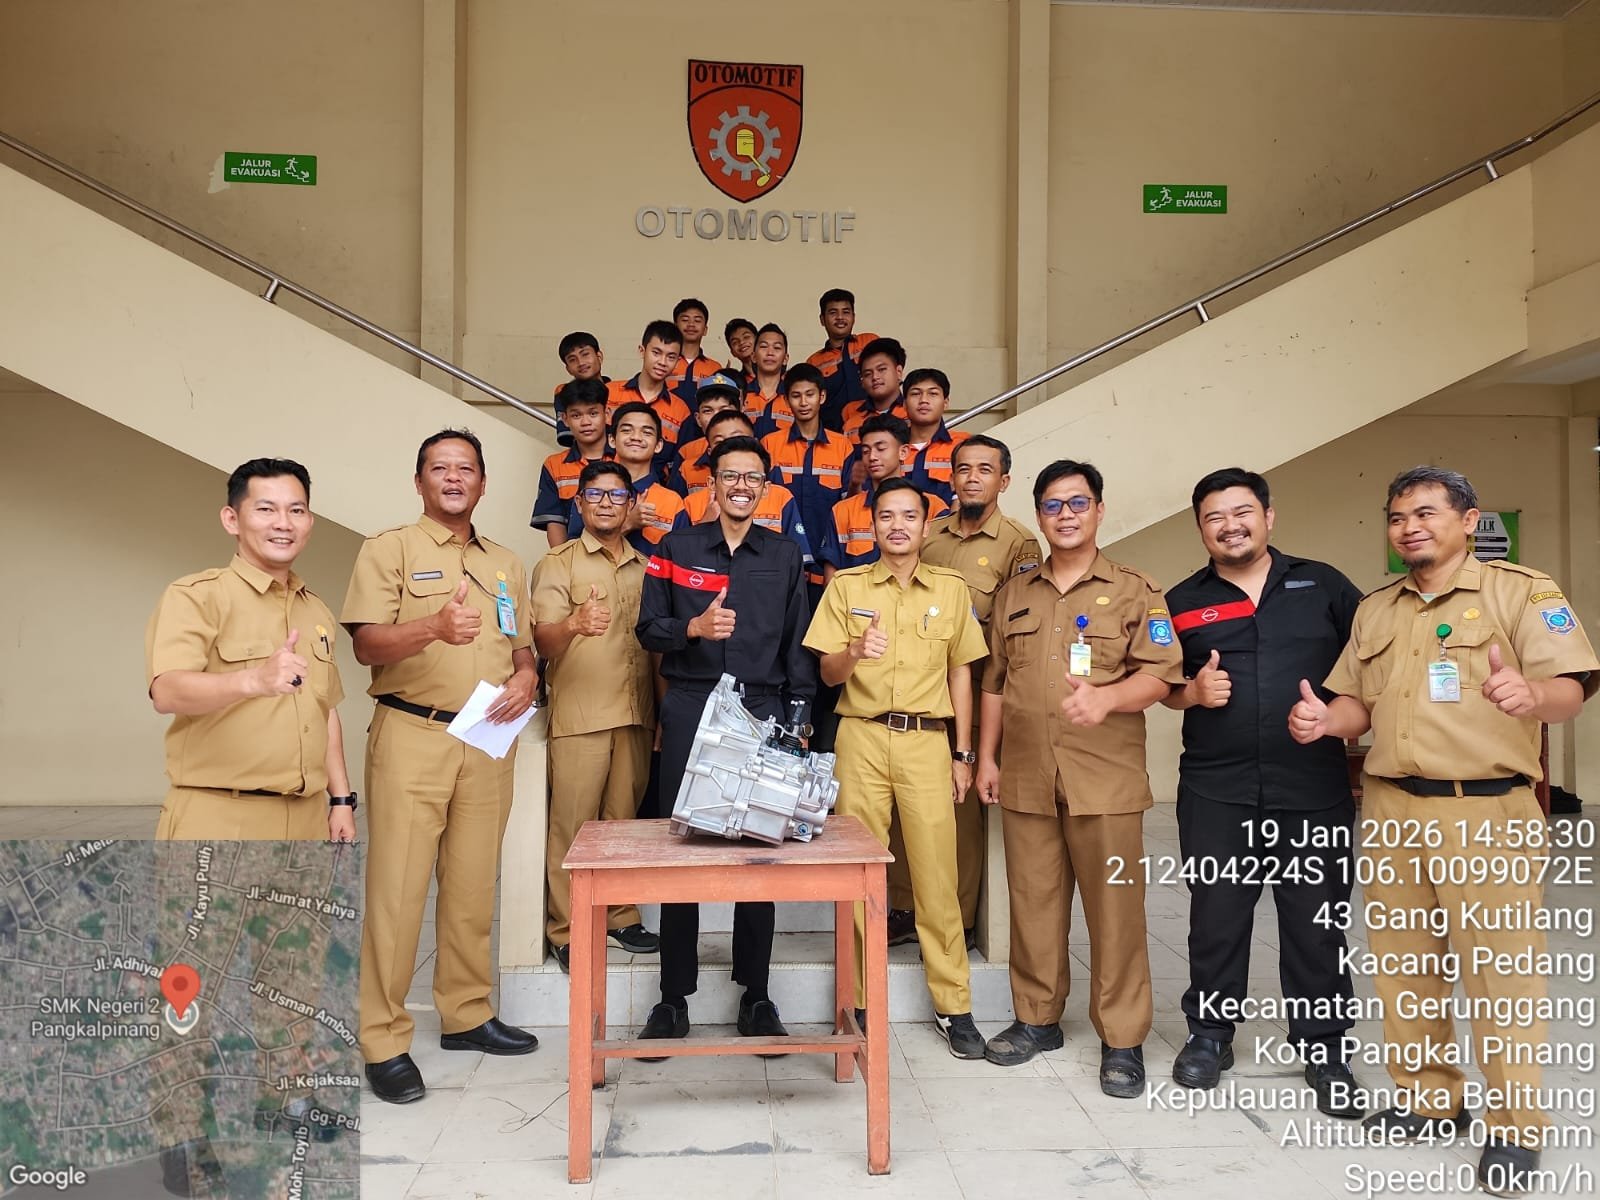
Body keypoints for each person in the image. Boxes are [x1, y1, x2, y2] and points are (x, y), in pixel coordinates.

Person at [1290, 465, 1599, 1197]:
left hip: (1485, 810)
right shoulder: (1377, 609)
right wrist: (1325, 720)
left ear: (1468, 519)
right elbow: (1357, 705)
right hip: (1392, 808)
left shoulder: (1522, 592)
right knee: (1404, 968)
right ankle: (1431, 1100)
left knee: (1501, 976)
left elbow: (1572, 688)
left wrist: (1532, 692)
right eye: (1398, 517)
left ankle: (1516, 1127)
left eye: (1425, 513)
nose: (1409, 528)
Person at [341, 429, 541, 1105]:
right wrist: (433, 627)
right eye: (440, 468)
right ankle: (382, 1039)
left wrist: (527, 675)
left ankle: (466, 1013)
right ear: (420, 480)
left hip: (487, 735)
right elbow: (368, 645)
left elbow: (521, 645)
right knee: (398, 893)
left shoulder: (506, 561)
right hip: (412, 732)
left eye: (466, 469)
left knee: (472, 884)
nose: (454, 478)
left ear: (483, 483)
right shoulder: (389, 548)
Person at [1162, 467, 1364, 1116]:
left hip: (1312, 788)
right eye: (1215, 517)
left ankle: (1325, 1048)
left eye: (1242, 512)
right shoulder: (1181, 600)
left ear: (1269, 517)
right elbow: (1161, 684)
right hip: (1216, 790)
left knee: (1316, 924)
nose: (1231, 526)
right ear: (1201, 528)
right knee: (1216, 919)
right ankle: (1210, 1035)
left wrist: (1334, 717)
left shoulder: (1325, 586)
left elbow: (1371, 670)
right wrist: (1191, 692)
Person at [976, 460, 1183, 1095]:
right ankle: (1037, 1019)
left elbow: (1162, 673)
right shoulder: (1015, 593)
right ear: (1038, 516)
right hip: (1027, 775)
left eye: (1077, 503)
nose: (1065, 515)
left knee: (1115, 912)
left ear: (1098, 510)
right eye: (1053, 505)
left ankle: (1122, 1039)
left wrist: (1109, 698)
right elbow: (994, 683)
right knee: (1033, 903)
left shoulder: (1136, 590)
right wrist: (986, 758)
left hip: (1105, 780)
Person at [635, 435, 816, 1052]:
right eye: (730, 476)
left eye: (753, 477)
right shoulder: (675, 547)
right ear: (711, 484)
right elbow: (648, 630)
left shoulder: (784, 554)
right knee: (683, 848)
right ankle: (672, 997)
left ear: (765, 489)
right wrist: (693, 626)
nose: (741, 486)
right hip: (691, 705)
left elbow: (797, 641)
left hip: (763, 709)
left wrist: (798, 716)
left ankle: (756, 994)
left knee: (758, 849)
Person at [804, 477, 990, 1058]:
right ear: (873, 525)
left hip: (927, 742)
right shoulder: (847, 586)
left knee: (937, 875)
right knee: (860, 873)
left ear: (926, 525)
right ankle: (858, 1000)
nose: (898, 525)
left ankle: (954, 1005)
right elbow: (826, 673)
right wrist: (855, 651)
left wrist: (963, 753)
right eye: (886, 516)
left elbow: (962, 671)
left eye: (909, 515)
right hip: (861, 737)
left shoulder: (951, 590)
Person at [146, 457, 355, 842]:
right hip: (220, 816)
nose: (283, 523)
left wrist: (341, 798)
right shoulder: (197, 597)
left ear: (310, 523)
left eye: (296, 510)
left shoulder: (316, 610)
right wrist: (254, 680)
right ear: (232, 520)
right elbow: (167, 692)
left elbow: (325, 710)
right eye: (266, 509)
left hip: (307, 820)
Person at [533, 460, 662, 972]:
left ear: (632, 505)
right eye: (596, 494)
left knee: (623, 824)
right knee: (573, 825)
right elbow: (542, 640)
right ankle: (567, 928)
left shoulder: (646, 566)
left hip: (635, 714)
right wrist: (574, 623)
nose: (607, 503)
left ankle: (620, 915)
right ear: (579, 503)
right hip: (581, 716)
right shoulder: (558, 563)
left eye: (617, 495)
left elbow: (654, 648)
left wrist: (661, 714)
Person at [917, 435, 1041, 946]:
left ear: (1003, 481)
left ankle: (961, 917)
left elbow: (1016, 631)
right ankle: (904, 908)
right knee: (912, 810)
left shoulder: (1018, 543)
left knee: (960, 813)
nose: (972, 478)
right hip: (921, 693)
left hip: (976, 696)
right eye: (963, 468)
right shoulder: (929, 535)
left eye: (984, 470)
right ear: (951, 477)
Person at [675, 410, 814, 568]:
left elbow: (797, 566)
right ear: (710, 452)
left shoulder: (781, 497)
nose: (731, 448)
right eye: (720, 443)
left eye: (739, 439)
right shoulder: (691, 503)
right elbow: (680, 561)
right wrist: (706, 524)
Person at [762, 364, 853, 605]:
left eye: (809, 394)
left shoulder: (842, 446)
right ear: (786, 400)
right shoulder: (770, 444)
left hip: (827, 565)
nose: (803, 402)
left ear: (822, 397)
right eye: (796, 395)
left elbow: (847, 508)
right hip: (779, 566)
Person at [822, 414, 947, 574]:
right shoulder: (843, 511)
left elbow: (943, 565)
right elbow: (831, 578)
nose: (872, 457)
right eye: (865, 451)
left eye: (881, 449)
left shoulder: (934, 507)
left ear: (903, 452)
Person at [566, 402, 685, 554]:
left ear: (658, 445)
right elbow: (574, 551)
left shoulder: (672, 502)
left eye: (647, 432)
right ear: (612, 440)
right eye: (627, 430)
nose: (636, 437)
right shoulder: (591, 490)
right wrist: (628, 523)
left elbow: (680, 558)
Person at [531, 377, 612, 548]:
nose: (586, 422)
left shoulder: (626, 458)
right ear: (565, 419)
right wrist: (562, 560)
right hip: (574, 558)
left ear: (606, 414)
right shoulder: (554, 466)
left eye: (593, 413)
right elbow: (555, 523)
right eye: (576, 415)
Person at [608, 319, 694, 471]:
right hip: (605, 481)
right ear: (642, 351)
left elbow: (678, 464)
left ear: (678, 361)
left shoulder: (681, 411)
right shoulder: (609, 393)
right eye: (656, 353)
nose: (663, 362)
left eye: (671, 357)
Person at [806, 287, 878, 429]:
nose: (840, 317)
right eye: (833, 312)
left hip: (875, 428)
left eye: (846, 312)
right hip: (834, 433)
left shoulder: (870, 342)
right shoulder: (814, 362)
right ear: (822, 320)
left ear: (854, 317)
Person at [901, 367, 969, 503]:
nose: (923, 400)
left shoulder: (963, 445)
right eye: (915, 393)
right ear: (904, 404)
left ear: (945, 403)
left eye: (933, 393)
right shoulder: (890, 447)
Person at [670, 376, 744, 498]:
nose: (716, 417)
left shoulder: (758, 460)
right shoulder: (686, 458)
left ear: (740, 413)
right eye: (708, 411)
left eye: (724, 410)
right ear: (698, 419)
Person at [840, 337, 908, 441]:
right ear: (862, 382)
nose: (875, 377)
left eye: (881, 369)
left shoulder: (913, 411)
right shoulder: (850, 413)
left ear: (898, 372)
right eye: (868, 374)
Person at [550, 331, 609, 449]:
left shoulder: (620, 390)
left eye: (585, 354)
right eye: (572, 359)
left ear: (599, 356)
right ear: (568, 369)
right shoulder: (563, 394)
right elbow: (568, 437)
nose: (581, 363)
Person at [665, 297, 723, 402]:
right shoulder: (664, 362)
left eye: (697, 320)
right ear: (675, 327)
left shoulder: (715, 368)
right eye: (685, 320)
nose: (691, 324)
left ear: (705, 330)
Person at [743, 322, 790, 424]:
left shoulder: (793, 396)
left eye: (777, 348)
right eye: (764, 346)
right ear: (753, 357)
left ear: (785, 359)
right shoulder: (742, 394)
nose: (770, 353)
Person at [724, 316, 757, 386]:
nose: (741, 342)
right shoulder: (736, 383)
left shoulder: (777, 374)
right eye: (735, 342)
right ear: (732, 352)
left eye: (746, 337)